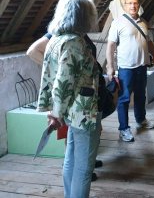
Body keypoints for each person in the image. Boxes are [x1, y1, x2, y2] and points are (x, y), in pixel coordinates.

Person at [36, 0, 100, 198]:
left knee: (71, 159)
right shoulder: (74, 43)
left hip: (72, 111)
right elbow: (63, 82)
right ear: (82, 16)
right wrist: (56, 112)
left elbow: (49, 77)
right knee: (83, 168)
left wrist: (54, 110)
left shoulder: (56, 39)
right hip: (83, 111)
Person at [27, 33, 105, 181]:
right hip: (74, 98)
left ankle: (87, 162)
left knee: (78, 139)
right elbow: (33, 51)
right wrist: (59, 70)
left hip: (87, 96)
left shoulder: (78, 31)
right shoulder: (58, 32)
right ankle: (80, 169)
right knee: (73, 138)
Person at [106, 0, 154, 142]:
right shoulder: (118, 22)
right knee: (124, 98)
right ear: (125, 5)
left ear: (139, 5)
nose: (133, 6)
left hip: (142, 66)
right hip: (126, 68)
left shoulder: (143, 22)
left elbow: (147, 40)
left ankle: (141, 120)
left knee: (141, 96)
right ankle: (123, 129)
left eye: (135, 3)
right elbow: (110, 45)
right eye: (129, 3)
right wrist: (110, 67)